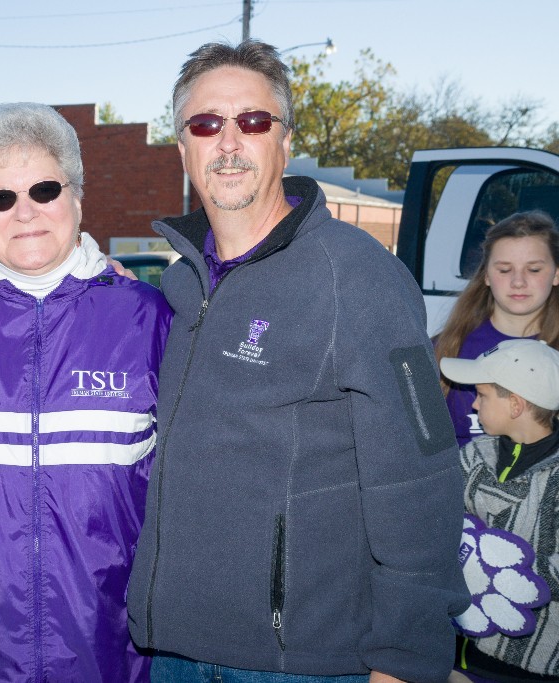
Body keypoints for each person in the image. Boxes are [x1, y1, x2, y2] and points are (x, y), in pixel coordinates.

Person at [124, 40, 470, 682]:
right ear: (182, 147)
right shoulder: (178, 287)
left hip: (299, 661)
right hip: (172, 654)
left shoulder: (360, 277)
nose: (229, 142)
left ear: (285, 141)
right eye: (206, 124)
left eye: (253, 121)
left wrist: (405, 659)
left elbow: (420, 474)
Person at [0, 102, 171, 682]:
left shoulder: (147, 319)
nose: (25, 212)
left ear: (78, 198)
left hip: (112, 657)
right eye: (0, 197)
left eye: (44, 188)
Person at [439, 339, 559, 682]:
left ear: (516, 405)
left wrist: (500, 571)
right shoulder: (474, 455)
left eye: (482, 395)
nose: (473, 405)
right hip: (459, 651)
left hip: (531, 666)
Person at [434, 211, 559, 447]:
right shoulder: (448, 349)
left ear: (556, 273)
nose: (518, 281)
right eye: (504, 269)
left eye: (533, 269)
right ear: (487, 276)